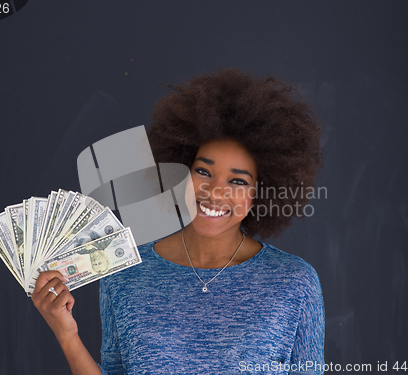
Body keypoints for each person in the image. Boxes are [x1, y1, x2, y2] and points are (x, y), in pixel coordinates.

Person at [32, 67, 325, 374]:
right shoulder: (125, 275)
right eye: (203, 172)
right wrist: (66, 335)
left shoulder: (295, 283)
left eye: (237, 181)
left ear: (260, 192)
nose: (214, 192)